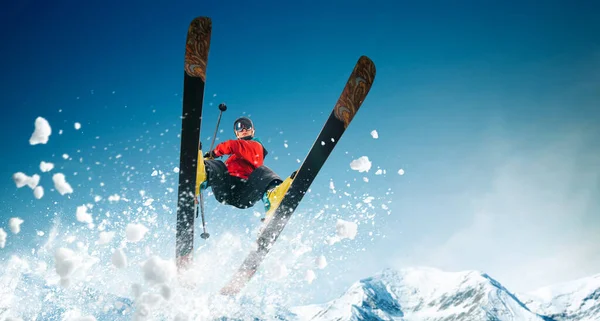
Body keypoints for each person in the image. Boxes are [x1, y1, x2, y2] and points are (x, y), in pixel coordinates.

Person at [195, 116, 294, 222]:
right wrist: (208, 164)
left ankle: (273, 198)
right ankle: (200, 178)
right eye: (239, 127)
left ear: (253, 131)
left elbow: (231, 145)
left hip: (245, 191)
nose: (244, 129)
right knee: (219, 166)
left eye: (247, 126)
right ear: (237, 133)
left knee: (262, 172)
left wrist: (214, 153)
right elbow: (221, 166)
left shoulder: (256, 146)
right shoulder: (234, 157)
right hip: (226, 188)